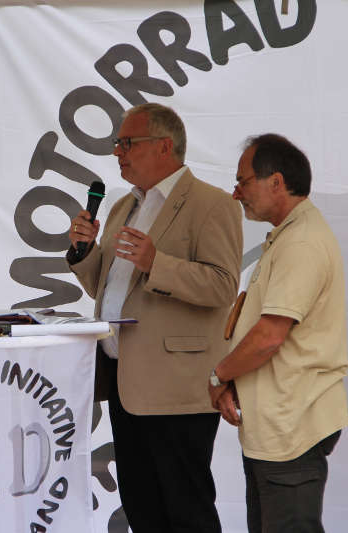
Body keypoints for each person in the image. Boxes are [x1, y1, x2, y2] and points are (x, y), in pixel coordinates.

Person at [67, 103, 243, 532]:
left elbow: (222, 285)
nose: (117, 152)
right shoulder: (125, 204)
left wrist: (156, 263)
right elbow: (107, 290)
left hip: (178, 387)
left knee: (186, 509)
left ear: (165, 146)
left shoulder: (211, 204)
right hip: (127, 382)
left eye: (127, 143)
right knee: (143, 508)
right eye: (116, 144)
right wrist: (83, 252)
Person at [209, 134, 348, 533]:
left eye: (243, 181)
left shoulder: (302, 241)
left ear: (276, 182)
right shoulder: (290, 233)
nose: (236, 193)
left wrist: (220, 375)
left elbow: (270, 336)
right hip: (277, 422)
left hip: (293, 425)